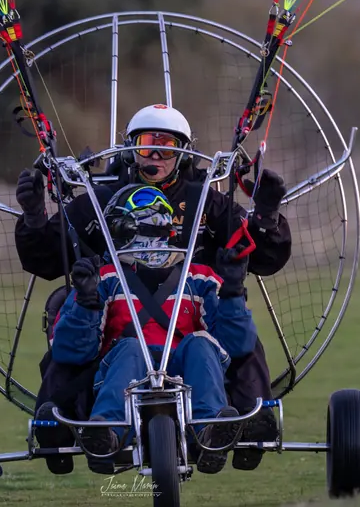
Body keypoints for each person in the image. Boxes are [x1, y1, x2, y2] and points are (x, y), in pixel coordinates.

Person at [17, 103, 292, 473]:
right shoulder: (100, 205)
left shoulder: (205, 204)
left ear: (182, 154)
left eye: (168, 147)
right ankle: (73, 427)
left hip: (192, 326)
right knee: (86, 328)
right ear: (131, 149)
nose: (157, 156)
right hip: (117, 339)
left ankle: (239, 422)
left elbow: (262, 258)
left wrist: (266, 217)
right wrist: (36, 217)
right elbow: (46, 260)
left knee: (220, 337)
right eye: (148, 145)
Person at [47, 184, 258, 475]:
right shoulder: (104, 279)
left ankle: (210, 432)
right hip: (125, 370)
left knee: (201, 343)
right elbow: (70, 352)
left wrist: (233, 291)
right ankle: (106, 434)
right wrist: (86, 301)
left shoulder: (200, 278)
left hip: (186, 371)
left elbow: (236, 346)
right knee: (131, 347)